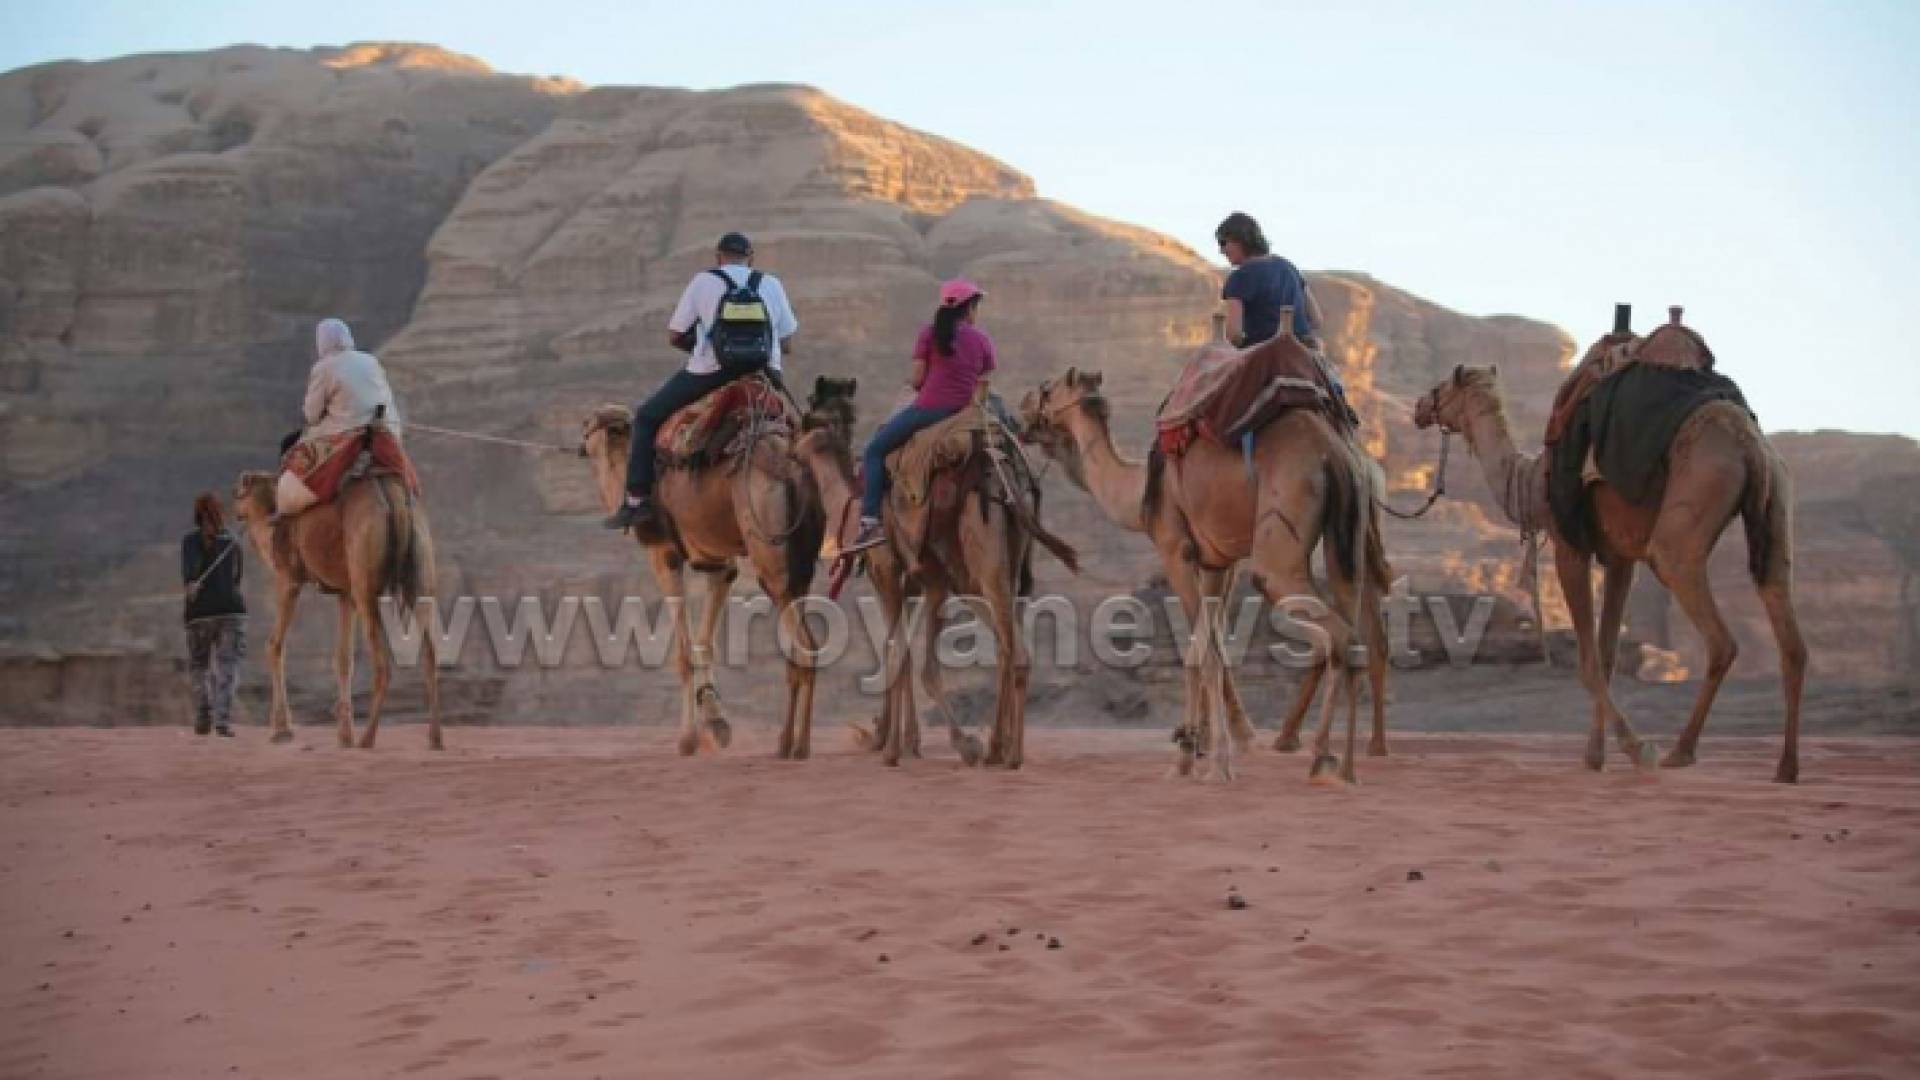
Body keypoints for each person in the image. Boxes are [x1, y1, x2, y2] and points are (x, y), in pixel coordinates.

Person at [604, 232, 799, 531]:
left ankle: (637, 500)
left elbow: (675, 334)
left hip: (710, 371)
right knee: (800, 427)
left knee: (646, 417)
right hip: (766, 373)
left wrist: (702, 348)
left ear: (719, 258)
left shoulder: (704, 282)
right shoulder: (771, 283)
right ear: (751, 259)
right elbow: (786, 342)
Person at [845, 279, 996, 554]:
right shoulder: (983, 340)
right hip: (964, 412)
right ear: (969, 308)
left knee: (874, 451)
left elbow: (916, 380)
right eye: (976, 305)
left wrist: (920, 383)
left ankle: (870, 522)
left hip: (929, 410)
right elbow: (983, 384)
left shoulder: (929, 334)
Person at [182, 492, 246, 737]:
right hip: (232, 610)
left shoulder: (189, 541)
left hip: (199, 613)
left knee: (200, 665)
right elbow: (237, 578)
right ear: (221, 514)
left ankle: (202, 716)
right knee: (228, 665)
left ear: (197, 517)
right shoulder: (232, 541)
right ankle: (222, 721)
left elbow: (189, 575)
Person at [1215, 211, 1323, 348]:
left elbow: (1233, 335)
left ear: (1240, 240)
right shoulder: (1289, 267)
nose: (1221, 250)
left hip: (1261, 354)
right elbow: (1316, 320)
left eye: (1223, 243)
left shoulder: (1239, 277)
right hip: (1302, 349)